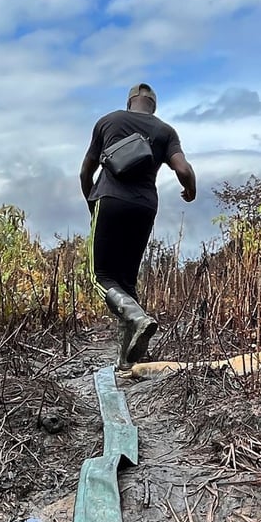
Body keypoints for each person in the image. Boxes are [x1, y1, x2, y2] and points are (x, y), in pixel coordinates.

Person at [80, 83, 196, 368]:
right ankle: (126, 361)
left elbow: (85, 172)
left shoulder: (108, 122)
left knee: (100, 276)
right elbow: (183, 169)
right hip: (144, 207)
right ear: (153, 106)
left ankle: (136, 317)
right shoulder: (166, 131)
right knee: (127, 282)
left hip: (110, 200)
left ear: (130, 101)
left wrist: (93, 203)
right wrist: (190, 188)